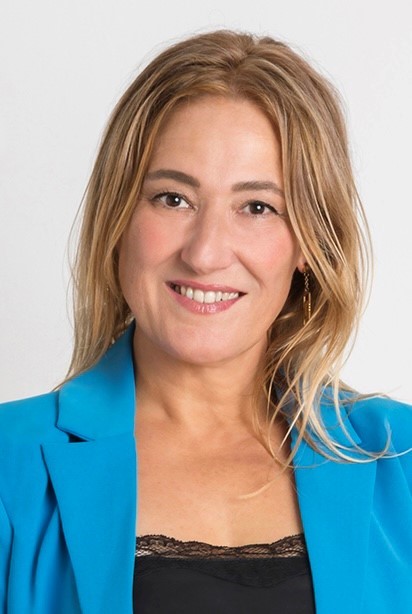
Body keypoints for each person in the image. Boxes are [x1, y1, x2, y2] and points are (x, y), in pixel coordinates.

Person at [0, 30, 411, 614]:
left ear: (309, 244)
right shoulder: (11, 463)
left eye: (257, 207)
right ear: (119, 217)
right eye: (173, 199)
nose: (205, 253)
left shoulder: (400, 458)